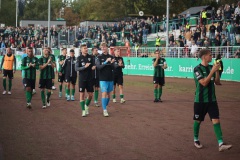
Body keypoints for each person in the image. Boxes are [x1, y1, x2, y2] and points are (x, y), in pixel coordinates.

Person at [193, 49, 232, 152]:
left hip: (212, 100)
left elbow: (217, 82)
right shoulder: (197, 69)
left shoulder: (211, 67)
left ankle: (221, 143)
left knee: (216, 120)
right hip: (200, 101)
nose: (212, 57)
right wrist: (212, 71)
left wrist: (218, 71)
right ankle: (196, 139)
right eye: (210, 55)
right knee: (198, 120)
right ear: (204, 57)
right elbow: (204, 83)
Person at [96, 42, 115, 117]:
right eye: (102, 47)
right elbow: (98, 67)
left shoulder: (111, 56)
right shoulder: (99, 57)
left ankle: (105, 106)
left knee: (108, 95)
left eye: (104, 47)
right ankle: (104, 110)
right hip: (103, 78)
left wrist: (112, 63)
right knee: (104, 93)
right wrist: (106, 61)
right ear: (101, 48)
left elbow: (114, 68)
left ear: (107, 47)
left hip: (110, 78)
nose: (103, 48)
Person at [75, 44, 95, 117]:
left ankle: (86, 105)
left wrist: (93, 67)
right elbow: (76, 68)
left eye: (86, 48)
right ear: (81, 50)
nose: (86, 49)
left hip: (90, 78)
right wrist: (84, 67)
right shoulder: (79, 58)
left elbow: (94, 65)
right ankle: (83, 110)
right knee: (82, 94)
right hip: (82, 79)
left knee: (90, 95)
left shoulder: (91, 57)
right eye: (84, 48)